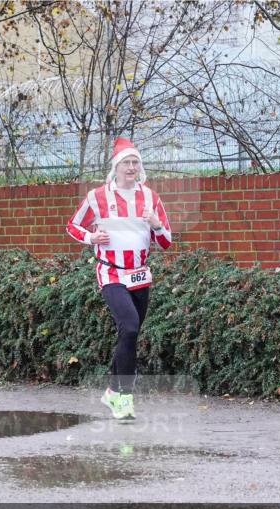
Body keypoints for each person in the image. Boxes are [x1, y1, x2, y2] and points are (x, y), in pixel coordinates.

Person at [66, 137, 173, 420]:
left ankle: (112, 391)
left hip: (140, 275)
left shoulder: (150, 198)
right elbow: (73, 226)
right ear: (115, 167)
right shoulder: (98, 197)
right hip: (111, 272)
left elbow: (166, 242)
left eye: (135, 162)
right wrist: (91, 237)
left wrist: (156, 224)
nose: (131, 167)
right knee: (129, 326)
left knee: (130, 333)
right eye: (126, 162)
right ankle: (124, 397)